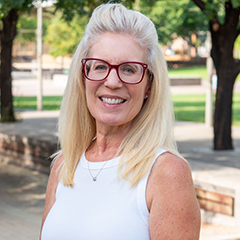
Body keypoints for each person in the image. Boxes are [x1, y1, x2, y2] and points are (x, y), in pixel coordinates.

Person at [40, 3, 201, 240]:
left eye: (128, 69)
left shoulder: (166, 173)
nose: (113, 82)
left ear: (149, 85)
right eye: (100, 66)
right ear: (83, 78)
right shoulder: (64, 166)